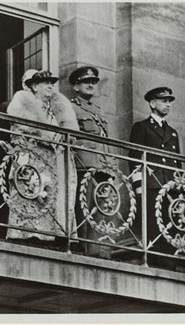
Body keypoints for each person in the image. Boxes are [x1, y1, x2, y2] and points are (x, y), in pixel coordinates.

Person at [6, 69, 79, 247]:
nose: (50, 86)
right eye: (45, 83)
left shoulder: (55, 109)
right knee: (30, 193)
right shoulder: (23, 104)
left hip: (52, 160)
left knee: (49, 195)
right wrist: (39, 133)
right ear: (34, 87)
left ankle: (52, 234)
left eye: (51, 83)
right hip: (32, 156)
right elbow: (17, 128)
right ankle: (25, 234)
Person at [128, 87, 181, 269]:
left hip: (170, 186)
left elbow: (177, 163)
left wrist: (179, 189)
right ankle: (155, 260)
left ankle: (169, 262)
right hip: (151, 184)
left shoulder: (173, 132)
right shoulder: (141, 127)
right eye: (164, 101)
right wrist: (138, 186)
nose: (167, 105)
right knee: (153, 224)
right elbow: (135, 158)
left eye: (169, 101)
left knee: (170, 224)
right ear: (152, 103)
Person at [68, 66, 111, 256]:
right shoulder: (71, 107)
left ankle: (100, 251)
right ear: (76, 87)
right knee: (84, 208)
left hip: (103, 166)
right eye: (86, 82)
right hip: (84, 164)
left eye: (93, 82)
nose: (91, 85)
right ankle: (85, 250)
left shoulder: (98, 110)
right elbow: (71, 137)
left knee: (104, 208)